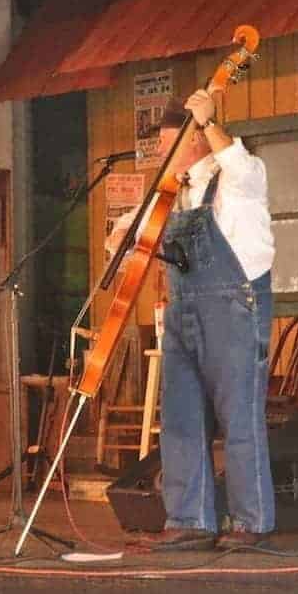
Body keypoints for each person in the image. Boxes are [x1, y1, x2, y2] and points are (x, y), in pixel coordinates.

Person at [108, 91, 276, 551]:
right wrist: (122, 235)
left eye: (169, 144)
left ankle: (251, 522)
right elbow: (134, 231)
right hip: (184, 312)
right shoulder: (173, 194)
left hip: (233, 309)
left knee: (239, 416)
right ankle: (189, 518)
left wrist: (209, 121)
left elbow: (240, 163)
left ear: (198, 140)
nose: (162, 154)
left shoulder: (239, 178)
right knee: (180, 416)